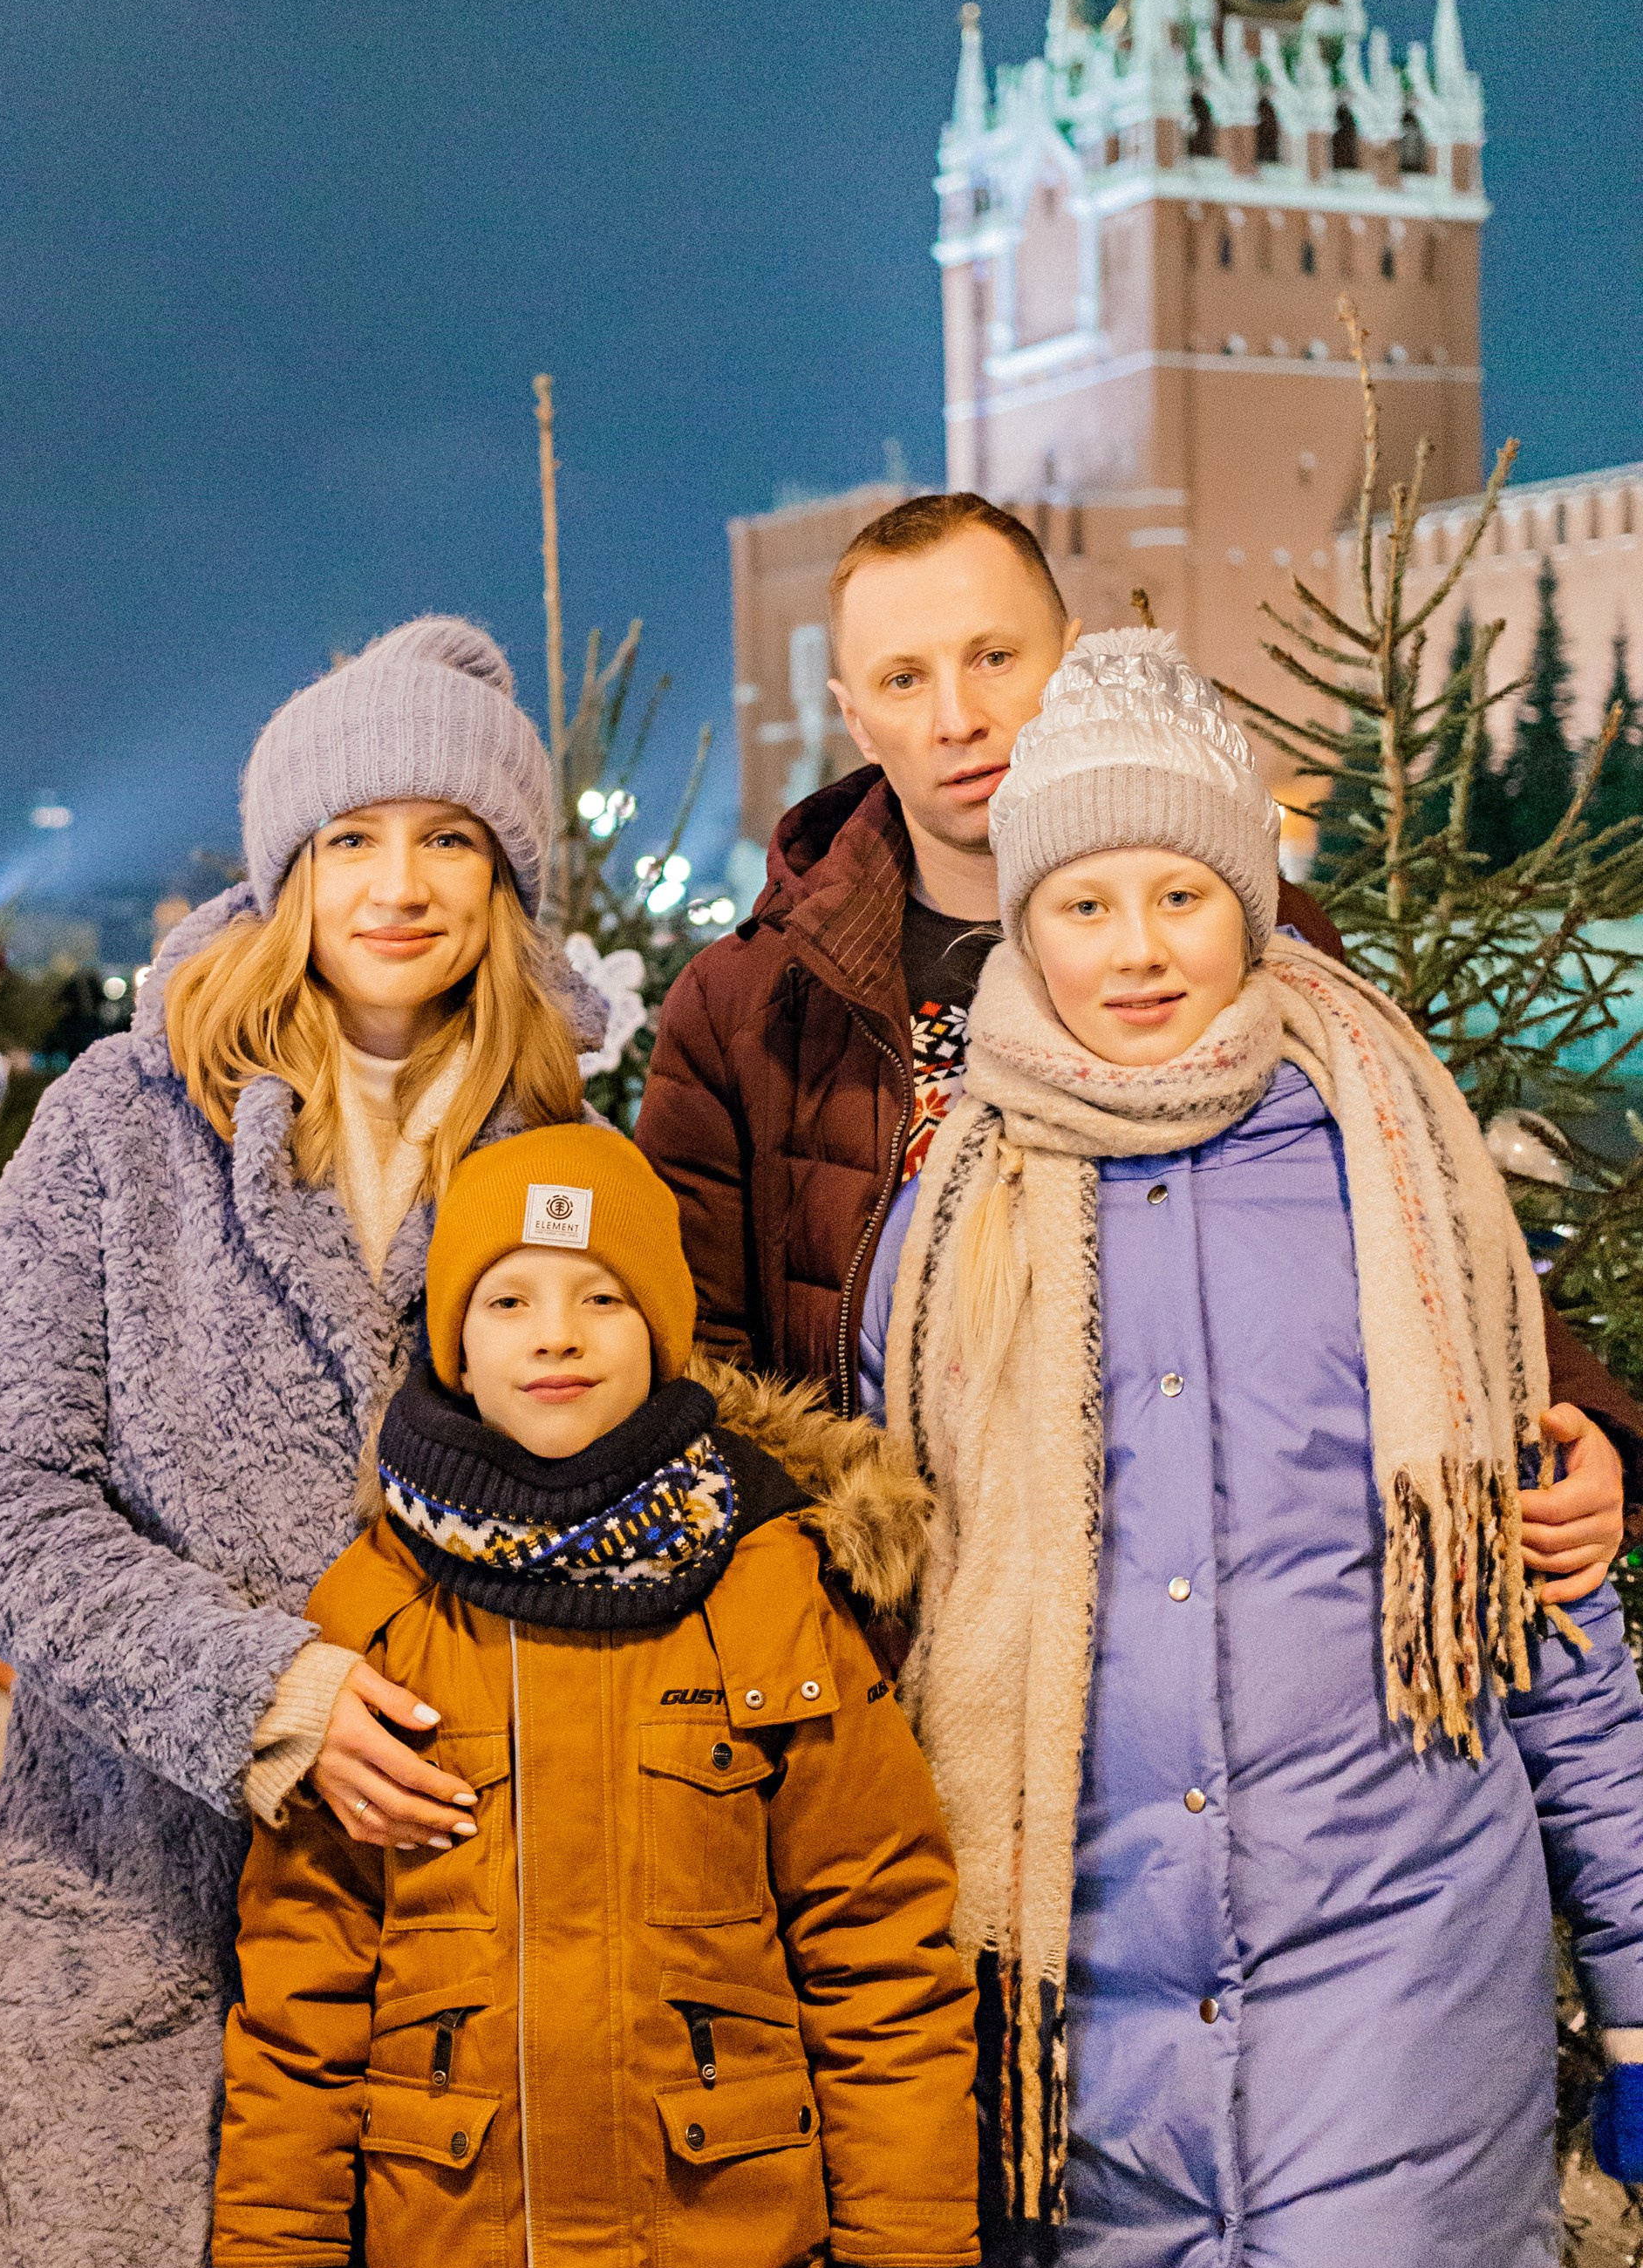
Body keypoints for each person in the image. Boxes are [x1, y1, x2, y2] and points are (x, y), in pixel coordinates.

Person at [879, 630, 1643, 2268]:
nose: (1138, 948)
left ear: (1249, 902)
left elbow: (1545, 1605)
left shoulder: (1399, 1175)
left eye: (1182, 894)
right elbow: (906, 1614)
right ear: (1024, 925)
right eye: (1086, 903)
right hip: (1081, 2005)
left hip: (1391, 1963)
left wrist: (1640, 1987)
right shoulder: (950, 1217)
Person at [0, 616, 615, 2268]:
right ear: (286, 869)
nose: (400, 885)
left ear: (508, 881)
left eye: (450, 840)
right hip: (145, 1905)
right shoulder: (120, 1128)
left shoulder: (557, 1149)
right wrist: (264, 1692)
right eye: (353, 839)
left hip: (437, 1919)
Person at [211, 1124, 978, 2268]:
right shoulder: (377, 1614)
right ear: (455, 1342)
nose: (555, 1335)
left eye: (600, 1297)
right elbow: (306, 1959)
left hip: (722, 2266)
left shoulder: (769, 1591)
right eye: (508, 1298)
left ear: (663, 1328)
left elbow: (877, 1940)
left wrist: (907, 2260)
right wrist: (289, 2254)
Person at [639, 487, 1633, 1550]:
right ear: (854, 716)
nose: (956, 718)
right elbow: (694, 1368)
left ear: (1069, 657)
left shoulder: (1246, 931)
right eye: (904, 679)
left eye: (993, 657)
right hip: (894, 1607)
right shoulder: (751, 1005)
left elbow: (1419, 1211)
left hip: (1228, 1575)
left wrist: (1584, 1431)